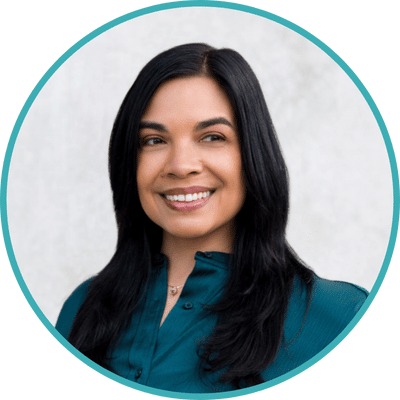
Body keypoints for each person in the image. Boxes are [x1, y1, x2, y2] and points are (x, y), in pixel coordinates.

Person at [56, 43, 368, 393]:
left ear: (253, 154)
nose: (180, 165)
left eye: (212, 137)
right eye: (155, 140)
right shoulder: (82, 309)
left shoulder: (339, 318)